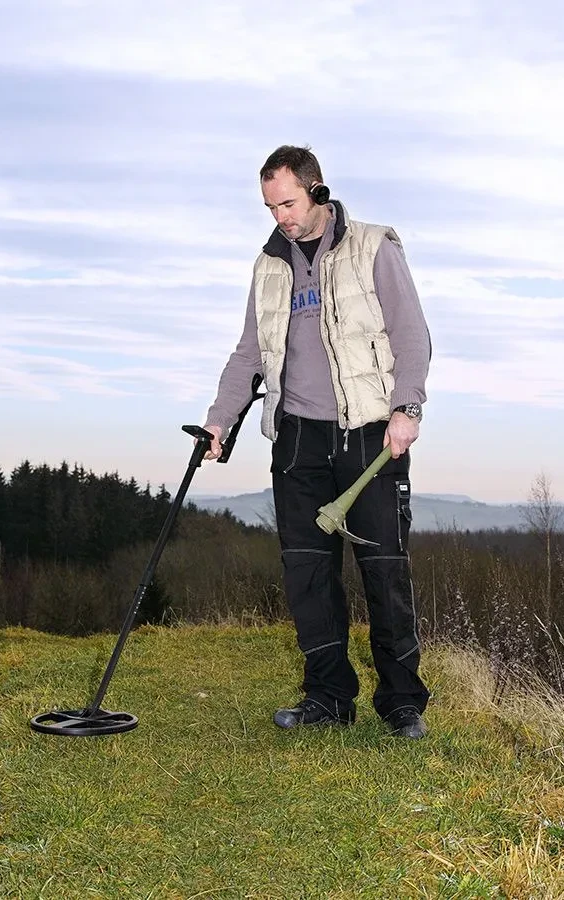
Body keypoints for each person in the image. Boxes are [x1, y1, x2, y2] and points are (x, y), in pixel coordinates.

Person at [202, 145, 431, 739]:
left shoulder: (373, 246)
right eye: (270, 207)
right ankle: (328, 697)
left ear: (317, 191)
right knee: (307, 574)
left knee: (384, 571)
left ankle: (402, 703)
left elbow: (412, 334)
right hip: (298, 438)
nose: (280, 217)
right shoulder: (268, 266)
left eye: (288, 203)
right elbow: (249, 354)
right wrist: (218, 421)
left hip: (369, 433)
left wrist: (406, 407)